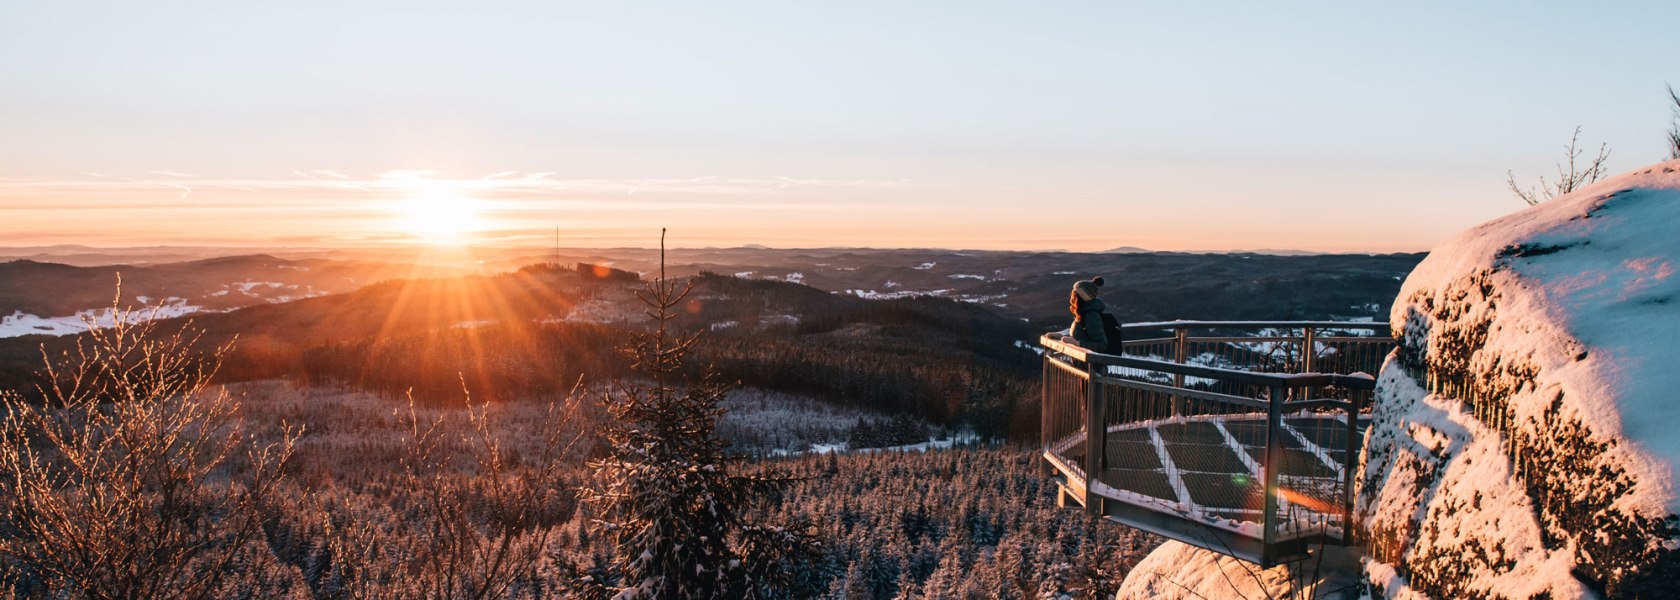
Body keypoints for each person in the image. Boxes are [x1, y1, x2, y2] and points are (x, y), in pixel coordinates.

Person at [1068, 276, 1114, 352]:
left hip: (1091, 363)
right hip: (1084, 362)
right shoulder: (1083, 314)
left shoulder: (1092, 317)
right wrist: (1060, 338)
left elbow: (1102, 345)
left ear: (1080, 298)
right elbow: (1082, 336)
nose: (1072, 296)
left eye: (1074, 294)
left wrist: (1078, 344)